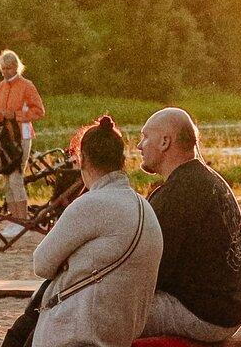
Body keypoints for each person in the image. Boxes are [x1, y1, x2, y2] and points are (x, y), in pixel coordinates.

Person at [32, 116, 163, 347]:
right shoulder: (144, 206)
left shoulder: (90, 204)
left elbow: (41, 264)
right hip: (121, 330)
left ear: (82, 160)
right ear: (121, 160)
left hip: (80, 332)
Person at [138, 108, 241, 342]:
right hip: (231, 310)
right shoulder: (211, 180)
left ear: (164, 142)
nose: (139, 145)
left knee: (106, 313)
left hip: (203, 315)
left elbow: (152, 273)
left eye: (145, 136)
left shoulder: (176, 194)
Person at [0, 50, 45, 216]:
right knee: (7, 178)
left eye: (8, 68)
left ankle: (22, 218)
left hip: (22, 134)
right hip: (4, 136)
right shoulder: (0, 86)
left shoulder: (27, 85)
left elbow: (39, 111)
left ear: (16, 67)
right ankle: (14, 219)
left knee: (16, 177)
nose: (5, 72)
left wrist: (16, 115)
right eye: (2, 69)